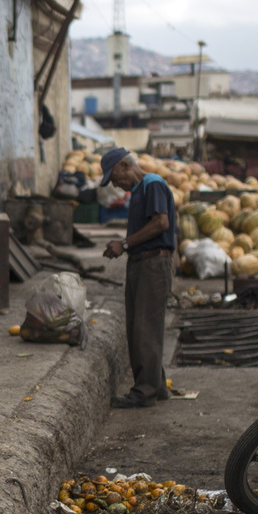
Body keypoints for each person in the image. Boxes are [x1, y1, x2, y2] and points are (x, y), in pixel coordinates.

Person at [100, 147, 177, 409]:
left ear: (124, 165)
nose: (116, 184)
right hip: (142, 263)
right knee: (140, 327)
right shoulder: (139, 190)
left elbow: (161, 223)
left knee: (145, 329)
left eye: (114, 178)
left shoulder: (152, 184)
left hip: (153, 264)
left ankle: (144, 393)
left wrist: (124, 243)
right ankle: (156, 385)